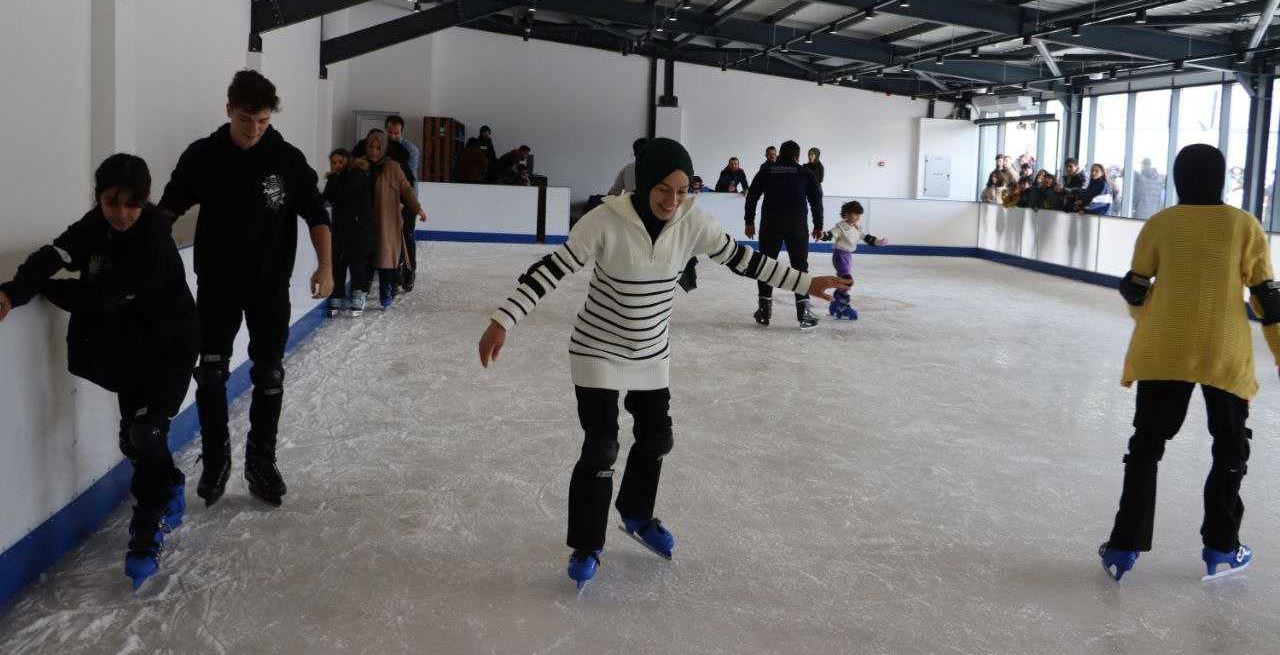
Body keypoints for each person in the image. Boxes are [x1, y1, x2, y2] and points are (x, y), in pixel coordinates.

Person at [475, 138, 848, 590]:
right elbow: (551, 270)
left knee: (657, 438)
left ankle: (635, 514)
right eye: (663, 190)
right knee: (601, 448)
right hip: (596, 350)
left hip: (651, 352)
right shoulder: (605, 221)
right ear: (645, 183)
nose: (673, 200)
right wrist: (503, 320)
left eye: (682, 190)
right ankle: (587, 544)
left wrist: (804, 283)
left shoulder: (694, 223)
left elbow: (746, 261)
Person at [0, 154, 198, 588]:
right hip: (132, 350)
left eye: (133, 203)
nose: (123, 213)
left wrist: (47, 291)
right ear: (99, 198)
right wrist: (13, 293)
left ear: (146, 201)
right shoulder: (95, 224)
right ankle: (170, 482)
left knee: (147, 432)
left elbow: (107, 295)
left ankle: (145, 535)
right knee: (134, 438)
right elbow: (52, 255)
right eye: (113, 202)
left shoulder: (155, 237)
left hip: (172, 347)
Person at [1099, 144, 1280, 583]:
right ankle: (1221, 547)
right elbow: (1268, 300)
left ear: (1179, 177)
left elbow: (1136, 288)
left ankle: (1123, 549)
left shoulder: (1161, 224)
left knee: (1145, 448)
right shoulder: (1244, 225)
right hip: (1225, 354)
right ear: (1220, 177)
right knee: (1230, 449)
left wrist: (1152, 318)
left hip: (1163, 351)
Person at [158, 69, 333, 508]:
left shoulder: (287, 160)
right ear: (229, 110)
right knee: (212, 372)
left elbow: (316, 215)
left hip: (269, 286)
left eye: (262, 121)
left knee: (269, 372)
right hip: (217, 284)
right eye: (245, 119)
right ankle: (216, 460)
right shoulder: (203, 155)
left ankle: (261, 462)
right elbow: (167, 212)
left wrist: (326, 266)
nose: (254, 129)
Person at [744, 140, 824, 329]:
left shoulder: (767, 171)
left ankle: (764, 312)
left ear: (780, 153)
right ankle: (803, 313)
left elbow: (752, 196)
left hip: (770, 225)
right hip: (797, 226)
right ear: (797, 155)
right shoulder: (806, 173)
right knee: (800, 267)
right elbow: (816, 202)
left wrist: (749, 222)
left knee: (766, 265)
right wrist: (818, 226)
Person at [365, 129, 428, 310]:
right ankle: (360, 292)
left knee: (386, 259)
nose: (374, 151)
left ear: (384, 148)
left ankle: (386, 291)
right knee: (366, 258)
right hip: (365, 221)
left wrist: (418, 209)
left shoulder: (393, 167)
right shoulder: (361, 166)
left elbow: (407, 190)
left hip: (387, 221)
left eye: (378, 148)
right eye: (371, 147)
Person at [323, 148, 376, 317]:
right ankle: (337, 294)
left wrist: (332, 177)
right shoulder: (336, 178)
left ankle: (359, 294)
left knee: (357, 264)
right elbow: (328, 197)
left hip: (359, 228)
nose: (337, 165)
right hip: (340, 228)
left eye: (340, 161)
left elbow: (341, 192)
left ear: (348, 160)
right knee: (338, 263)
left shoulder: (357, 174)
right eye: (333, 162)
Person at [819, 200, 885, 320]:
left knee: (844, 281)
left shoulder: (857, 227)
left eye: (859, 214)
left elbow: (866, 237)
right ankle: (842, 307)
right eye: (855, 214)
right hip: (840, 255)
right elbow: (831, 234)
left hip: (848, 256)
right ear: (847, 214)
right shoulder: (841, 226)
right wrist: (822, 235)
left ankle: (835, 302)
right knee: (847, 281)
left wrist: (877, 241)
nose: (858, 217)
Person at [385, 116, 422, 293]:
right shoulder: (382, 147)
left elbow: (408, 178)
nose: (393, 136)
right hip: (387, 201)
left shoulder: (411, 150)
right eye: (390, 132)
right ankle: (394, 271)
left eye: (396, 133)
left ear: (402, 132)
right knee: (390, 238)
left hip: (407, 200)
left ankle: (409, 271)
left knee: (407, 235)